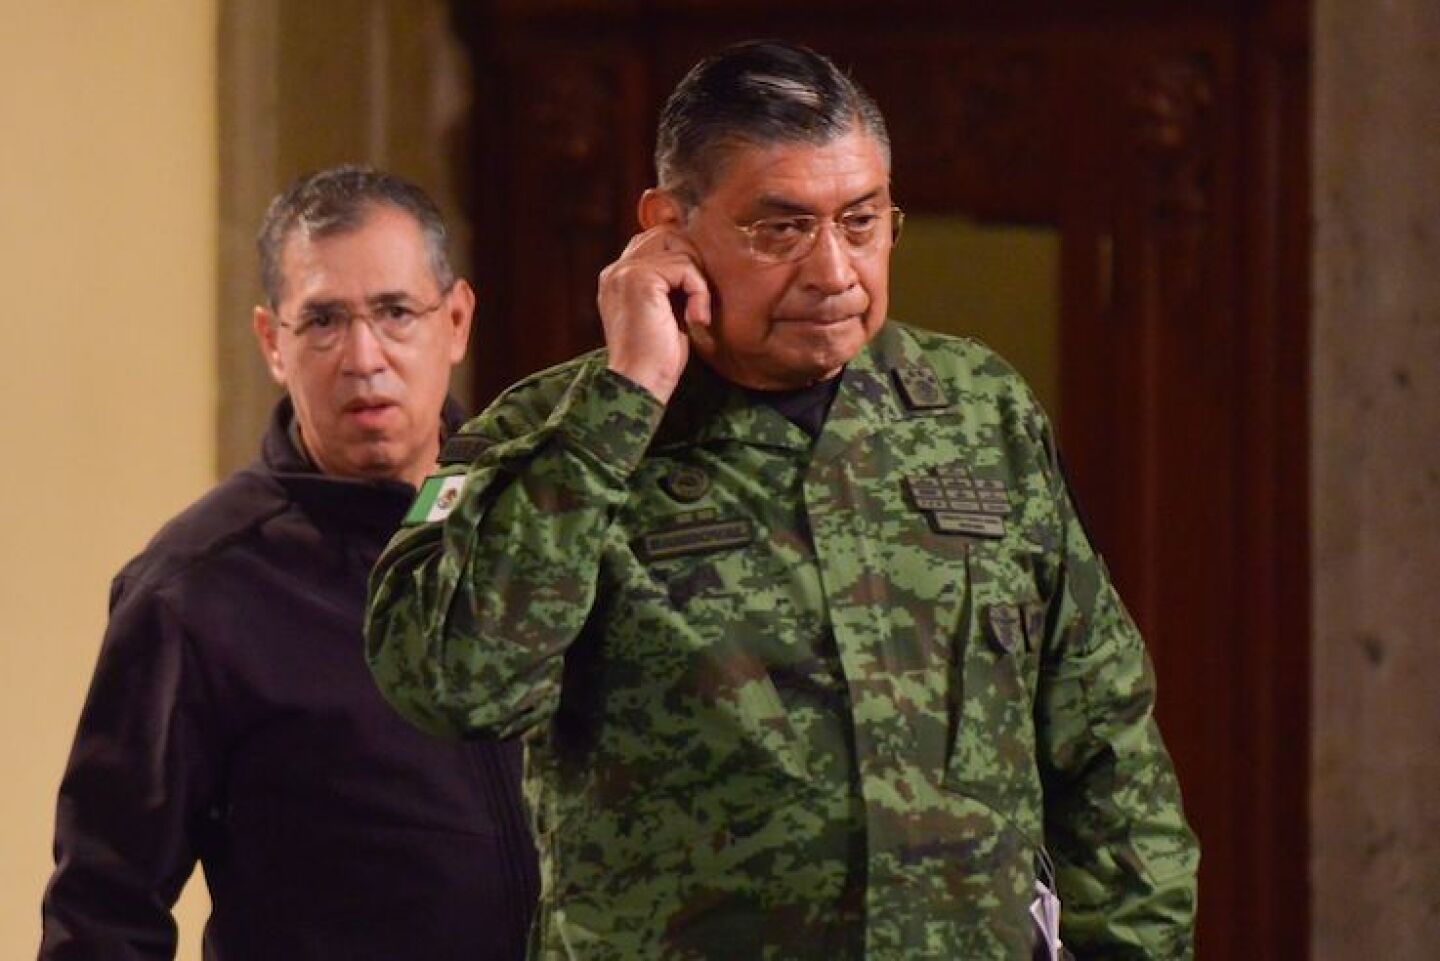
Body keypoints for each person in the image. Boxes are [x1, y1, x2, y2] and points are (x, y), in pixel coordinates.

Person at [366, 42, 1199, 960]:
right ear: (666, 228)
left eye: (863, 220)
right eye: (782, 228)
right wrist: (628, 395)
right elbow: (453, 684)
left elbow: (1104, 732)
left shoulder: (979, 408)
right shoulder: (548, 432)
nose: (835, 271)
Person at [40, 166, 538, 961]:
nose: (363, 356)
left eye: (395, 312)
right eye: (324, 322)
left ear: (456, 319)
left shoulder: (547, 520)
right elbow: (103, 913)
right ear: (274, 342)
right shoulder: (195, 592)